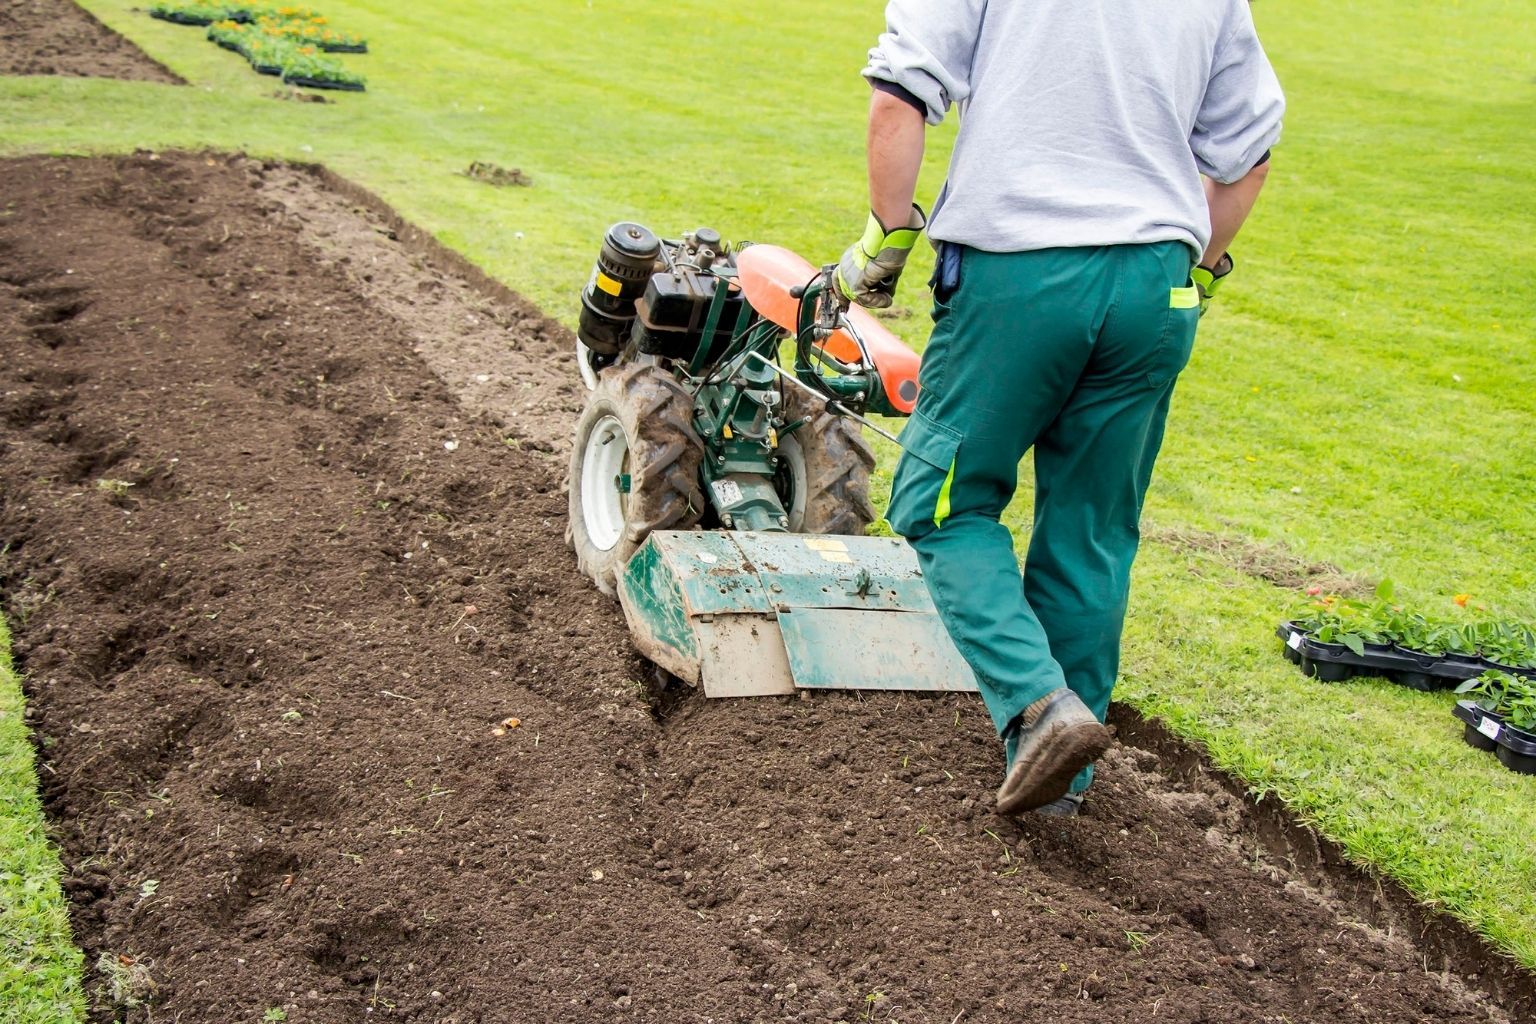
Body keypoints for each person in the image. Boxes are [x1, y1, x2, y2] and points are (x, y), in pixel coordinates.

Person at [836, 0, 1284, 816]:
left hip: (1018, 274)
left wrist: (887, 239)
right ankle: (1059, 791)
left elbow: (901, 93)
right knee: (1091, 533)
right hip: (1157, 282)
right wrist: (1203, 270)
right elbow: (1246, 155)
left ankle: (1040, 707)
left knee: (942, 504)